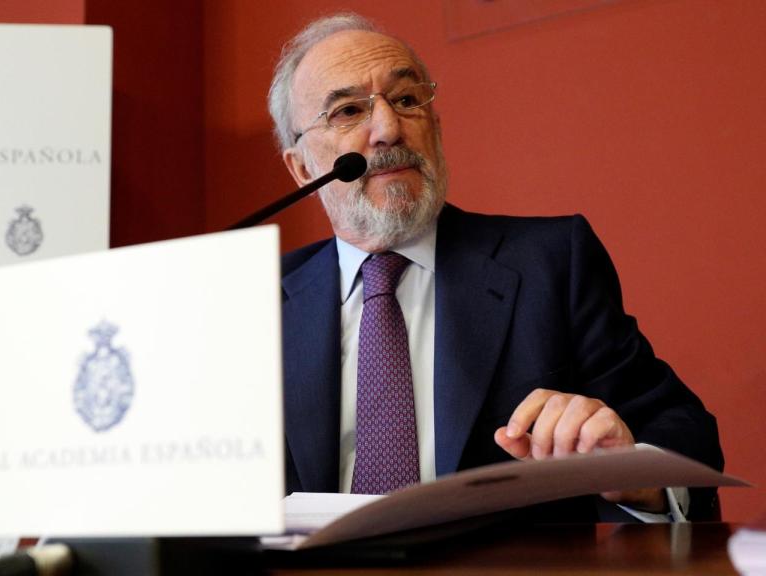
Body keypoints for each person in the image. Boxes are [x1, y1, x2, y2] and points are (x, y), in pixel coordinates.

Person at [270, 13, 723, 521]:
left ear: (435, 125)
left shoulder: (549, 263)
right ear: (302, 166)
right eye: (349, 110)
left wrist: (631, 470)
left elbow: (684, 435)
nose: (388, 129)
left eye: (405, 100)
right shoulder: (253, 301)